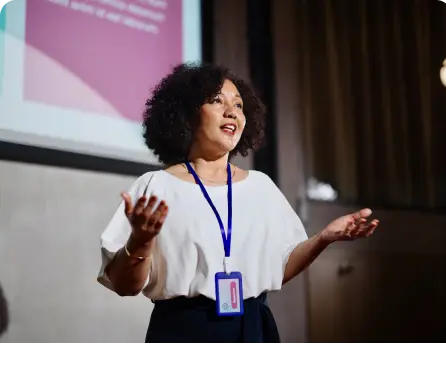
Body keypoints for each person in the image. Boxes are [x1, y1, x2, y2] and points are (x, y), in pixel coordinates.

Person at [97, 62, 379, 345]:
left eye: (239, 105)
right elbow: (124, 286)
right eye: (217, 101)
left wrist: (323, 239)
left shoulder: (261, 187)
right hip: (184, 331)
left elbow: (278, 268)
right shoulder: (156, 186)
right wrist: (141, 241)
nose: (232, 111)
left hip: (254, 329)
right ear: (186, 114)